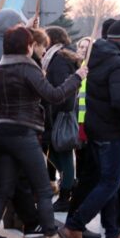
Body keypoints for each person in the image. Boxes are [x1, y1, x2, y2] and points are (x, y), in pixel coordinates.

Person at [0, 26, 85, 238]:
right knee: (42, 188)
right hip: (25, 132)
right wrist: (77, 78)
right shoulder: (28, 68)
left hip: (4, 131)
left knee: (3, 188)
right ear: (28, 46)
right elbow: (53, 95)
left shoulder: (0, 68)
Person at [61, 20, 120, 238]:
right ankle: (74, 225)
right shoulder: (119, 64)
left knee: (110, 182)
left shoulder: (96, 58)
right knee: (109, 183)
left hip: (95, 128)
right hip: (111, 130)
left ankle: (113, 235)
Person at [0, 8, 39, 238]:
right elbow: (7, 88)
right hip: (2, 123)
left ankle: (30, 222)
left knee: (10, 175)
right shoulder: (0, 49)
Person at [42, 26, 81, 212]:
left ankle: (67, 193)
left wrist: (55, 113)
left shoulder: (58, 59)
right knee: (57, 154)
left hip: (58, 115)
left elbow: (60, 89)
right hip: (60, 113)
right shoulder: (62, 57)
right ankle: (69, 185)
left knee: (61, 154)